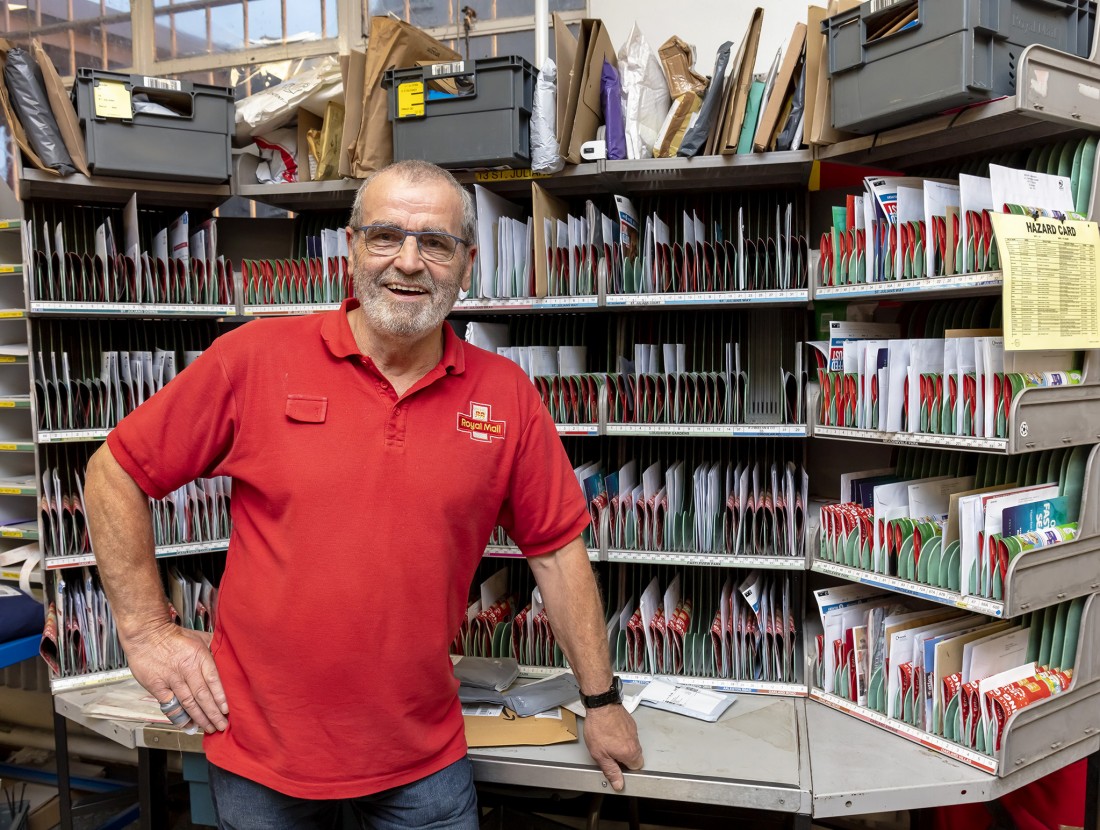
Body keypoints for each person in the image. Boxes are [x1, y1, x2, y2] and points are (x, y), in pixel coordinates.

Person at [83, 159, 644, 829]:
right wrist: (146, 632)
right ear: (352, 248)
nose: (408, 262)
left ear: (467, 263)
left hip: (422, 756)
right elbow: (113, 471)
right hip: (264, 755)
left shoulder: (505, 397)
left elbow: (556, 553)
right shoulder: (255, 357)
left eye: (434, 243)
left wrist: (603, 701)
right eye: (386, 236)